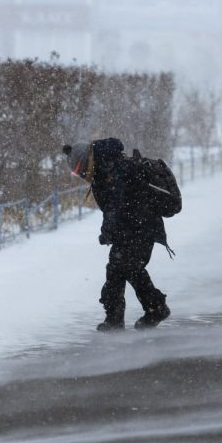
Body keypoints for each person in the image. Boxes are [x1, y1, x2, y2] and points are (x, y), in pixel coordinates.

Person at [63, 138, 171, 332]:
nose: (81, 174)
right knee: (117, 269)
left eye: (80, 169)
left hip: (142, 227)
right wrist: (110, 231)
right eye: (77, 172)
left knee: (129, 267)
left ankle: (155, 308)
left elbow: (116, 206)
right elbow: (113, 209)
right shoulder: (104, 170)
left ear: (87, 160)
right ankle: (115, 319)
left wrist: (107, 232)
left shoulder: (115, 169)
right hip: (129, 230)